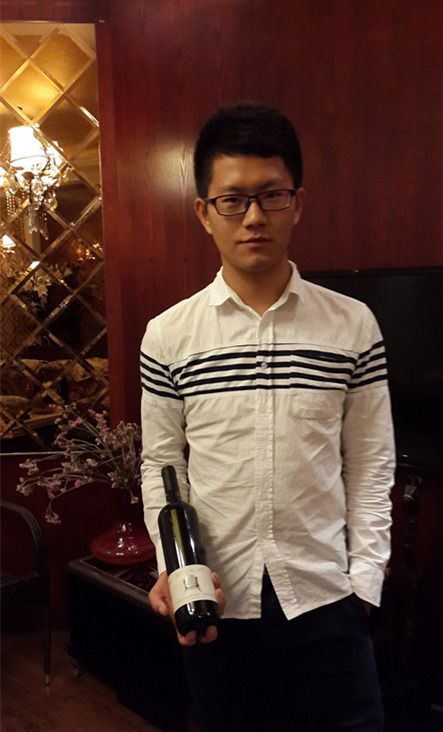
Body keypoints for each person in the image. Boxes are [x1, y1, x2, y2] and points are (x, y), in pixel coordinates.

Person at [140, 102, 395, 732]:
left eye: (271, 195)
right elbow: (162, 465)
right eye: (232, 200)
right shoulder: (168, 336)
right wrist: (175, 571)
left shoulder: (353, 325)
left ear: (297, 203)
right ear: (204, 212)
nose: (253, 217)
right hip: (217, 601)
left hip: (326, 599)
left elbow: (370, 463)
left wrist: (365, 581)